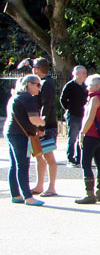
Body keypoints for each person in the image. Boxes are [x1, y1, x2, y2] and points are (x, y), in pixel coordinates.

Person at [3, 75, 46, 206]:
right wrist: (43, 122)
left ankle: (16, 194)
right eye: (37, 85)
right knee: (23, 165)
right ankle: (28, 197)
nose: (40, 88)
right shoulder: (27, 98)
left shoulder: (15, 97)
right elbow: (34, 119)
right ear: (28, 84)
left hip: (11, 132)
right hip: (20, 135)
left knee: (14, 164)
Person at [75, 74, 100, 204]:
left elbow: (89, 118)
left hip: (91, 134)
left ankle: (89, 193)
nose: (87, 87)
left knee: (85, 163)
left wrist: (82, 133)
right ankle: (99, 192)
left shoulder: (94, 99)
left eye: (89, 85)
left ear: (96, 86)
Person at [30, 58, 59, 196]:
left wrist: (42, 125)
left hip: (47, 125)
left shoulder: (47, 83)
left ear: (37, 69)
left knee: (48, 155)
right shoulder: (42, 82)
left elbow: (46, 105)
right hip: (39, 124)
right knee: (38, 155)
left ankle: (51, 187)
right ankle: (39, 185)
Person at [60, 65, 88, 167]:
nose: (85, 75)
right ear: (76, 74)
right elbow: (63, 99)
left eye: (85, 72)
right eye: (83, 72)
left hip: (83, 115)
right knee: (72, 137)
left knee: (81, 137)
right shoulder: (70, 85)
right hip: (73, 115)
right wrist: (69, 108)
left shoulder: (85, 87)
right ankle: (70, 158)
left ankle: (79, 158)